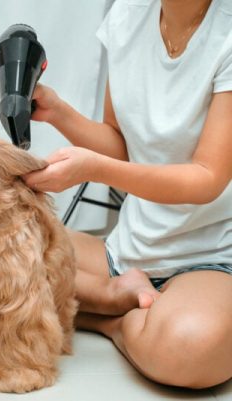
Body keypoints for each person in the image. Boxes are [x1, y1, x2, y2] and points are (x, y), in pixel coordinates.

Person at [23, 0, 232, 389]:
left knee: (191, 348)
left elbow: (207, 179)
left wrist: (93, 169)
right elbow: (120, 143)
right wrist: (57, 112)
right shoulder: (127, 15)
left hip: (211, 258)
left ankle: (109, 318)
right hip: (126, 251)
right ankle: (116, 295)